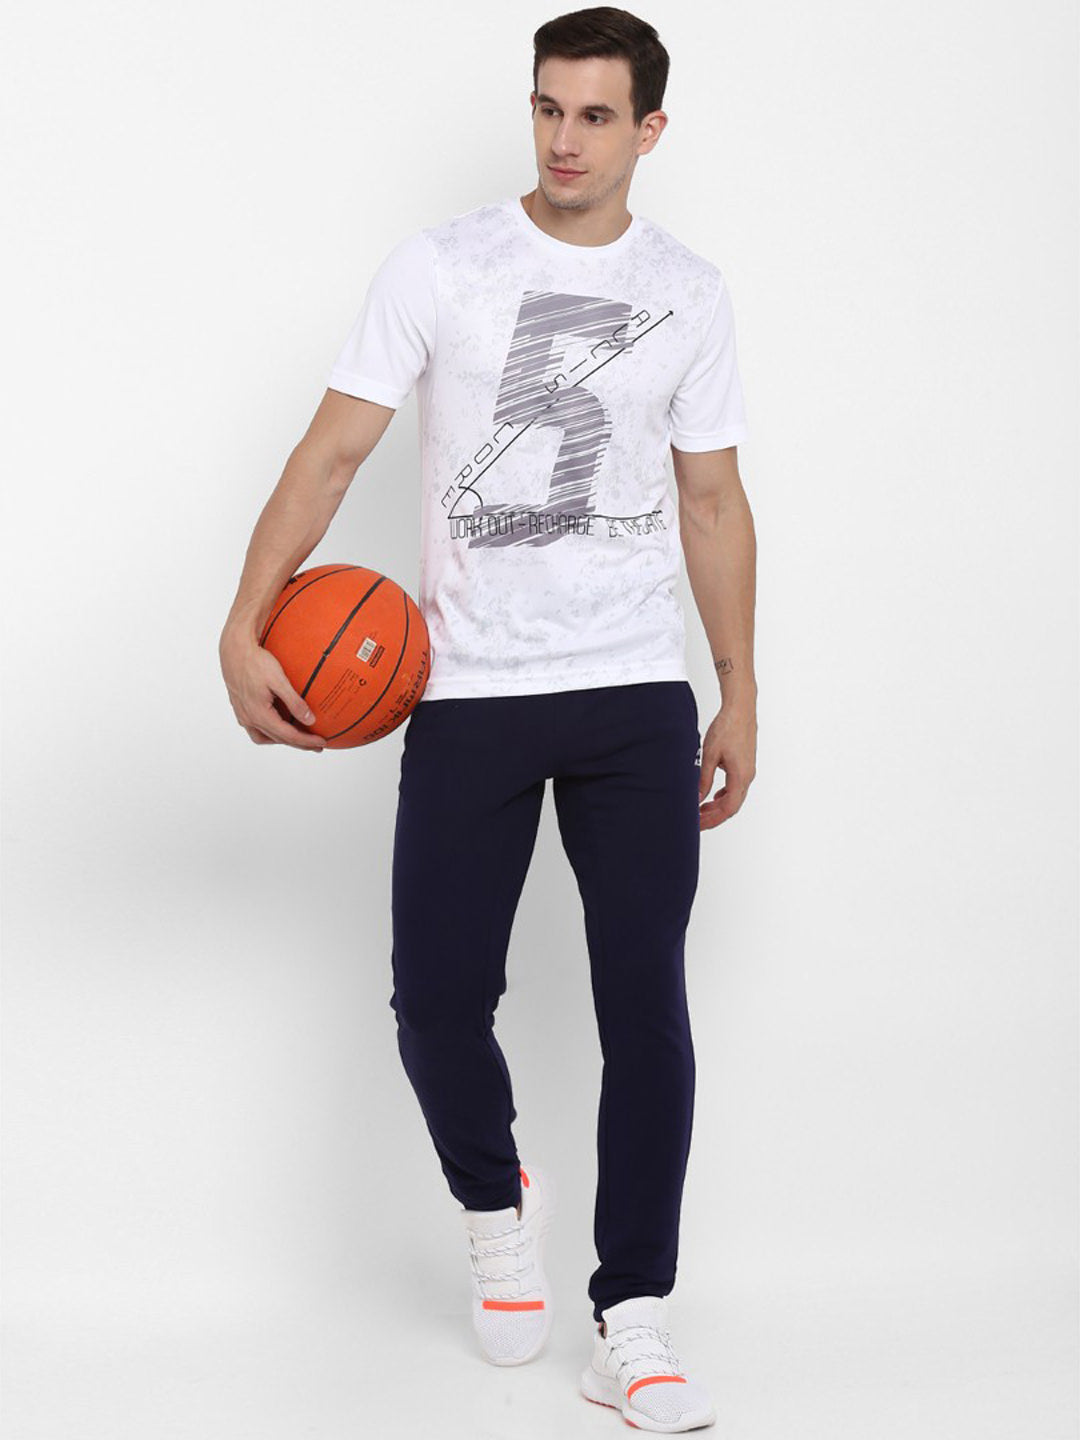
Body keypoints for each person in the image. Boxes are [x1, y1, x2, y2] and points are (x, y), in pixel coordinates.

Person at [219, 6, 757, 1432]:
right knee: (439, 999)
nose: (565, 140)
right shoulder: (439, 267)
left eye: (597, 115)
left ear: (649, 130)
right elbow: (330, 455)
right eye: (547, 108)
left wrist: (740, 686)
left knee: (647, 1006)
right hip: (468, 687)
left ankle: (632, 1316)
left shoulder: (688, 291)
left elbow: (713, 500)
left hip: (632, 691)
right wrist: (241, 621)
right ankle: (493, 1200)